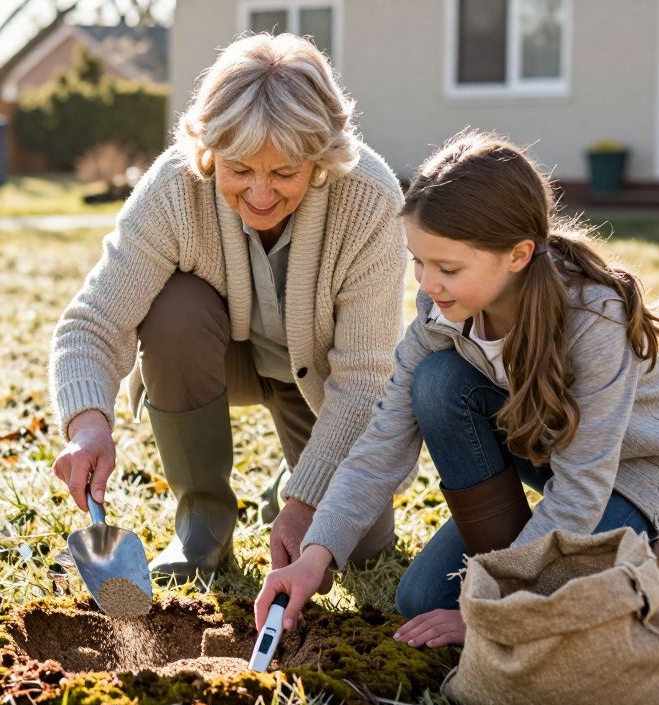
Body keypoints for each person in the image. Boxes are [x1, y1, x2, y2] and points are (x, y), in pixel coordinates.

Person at [255, 130, 659, 646]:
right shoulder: (442, 313)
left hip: (632, 473)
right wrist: (316, 556)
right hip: (543, 451)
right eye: (419, 262)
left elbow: (584, 485)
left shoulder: (595, 321)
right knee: (424, 594)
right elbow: (382, 443)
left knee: (555, 622)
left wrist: (491, 612)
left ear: (516, 255)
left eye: (447, 267)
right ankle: (521, 573)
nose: (426, 285)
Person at [48, 33, 408, 581]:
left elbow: (364, 381)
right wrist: (88, 425)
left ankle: (291, 481)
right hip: (218, 358)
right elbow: (92, 323)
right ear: (210, 151)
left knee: (358, 550)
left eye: (284, 172)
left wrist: (306, 500)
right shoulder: (175, 187)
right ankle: (203, 525)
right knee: (174, 307)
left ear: (319, 160)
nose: (260, 195)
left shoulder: (370, 200)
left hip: (325, 381)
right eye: (240, 170)